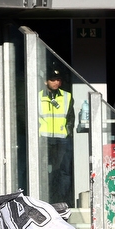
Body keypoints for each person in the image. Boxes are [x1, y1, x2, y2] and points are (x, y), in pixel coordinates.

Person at [38, 67, 75, 205]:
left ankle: (62, 201)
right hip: (44, 138)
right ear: (45, 81)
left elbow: (71, 117)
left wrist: (68, 132)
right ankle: (44, 199)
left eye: (58, 80)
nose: (55, 82)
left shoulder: (67, 96)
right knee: (44, 171)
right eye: (52, 79)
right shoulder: (38, 96)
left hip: (62, 139)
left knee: (63, 172)